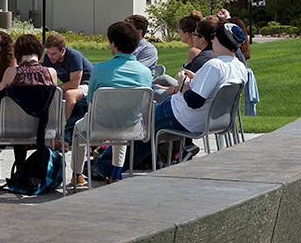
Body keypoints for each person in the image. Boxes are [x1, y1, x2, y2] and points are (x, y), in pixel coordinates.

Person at [93, 21, 249, 178]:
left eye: (215, 37)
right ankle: (108, 165)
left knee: (136, 126)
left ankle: (103, 167)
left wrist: (183, 84)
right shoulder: (239, 67)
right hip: (213, 121)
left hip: (180, 115)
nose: (212, 41)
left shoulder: (215, 65)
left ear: (220, 40)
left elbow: (194, 101)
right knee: (146, 131)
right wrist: (195, 79)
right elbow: (214, 90)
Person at [70, 21, 153, 186]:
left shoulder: (100, 69)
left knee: (77, 130)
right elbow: (143, 105)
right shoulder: (145, 72)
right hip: (131, 126)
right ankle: (115, 174)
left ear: (113, 43)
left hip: (100, 125)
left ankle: (77, 174)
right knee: (121, 128)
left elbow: (91, 100)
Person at [0, 34, 58, 165]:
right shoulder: (51, 73)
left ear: (18, 53)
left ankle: (19, 167)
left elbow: (3, 104)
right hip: (45, 128)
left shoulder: (10, 73)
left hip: (15, 129)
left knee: (18, 116)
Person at [41, 33, 93, 121]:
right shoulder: (47, 58)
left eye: (53, 54)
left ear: (63, 50)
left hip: (89, 85)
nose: (50, 57)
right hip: (73, 86)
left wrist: (55, 88)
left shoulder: (74, 56)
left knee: (69, 94)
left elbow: (74, 84)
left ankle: (70, 130)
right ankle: (51, 127)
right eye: (48, 53)